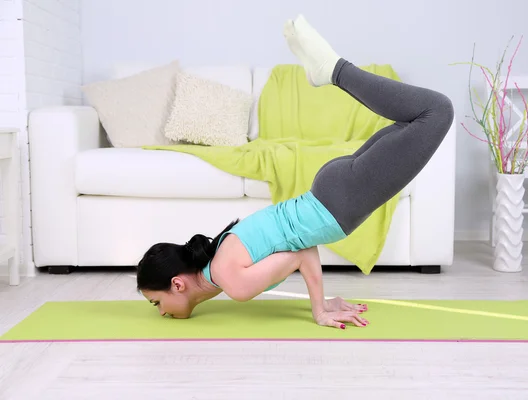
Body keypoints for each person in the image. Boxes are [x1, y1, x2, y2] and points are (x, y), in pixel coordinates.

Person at [136, 14, 454, 329]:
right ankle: (332, 70)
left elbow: (298, 255)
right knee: (415, 120)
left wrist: (319, 311)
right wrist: (323, 303)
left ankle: (335, 70)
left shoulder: (230, 280)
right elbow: (300, 247)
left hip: (339, 202)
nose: (161, 311)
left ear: (177, 284)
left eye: (156, 302)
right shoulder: (222, 253)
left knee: (436, 111)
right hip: (331, 192)